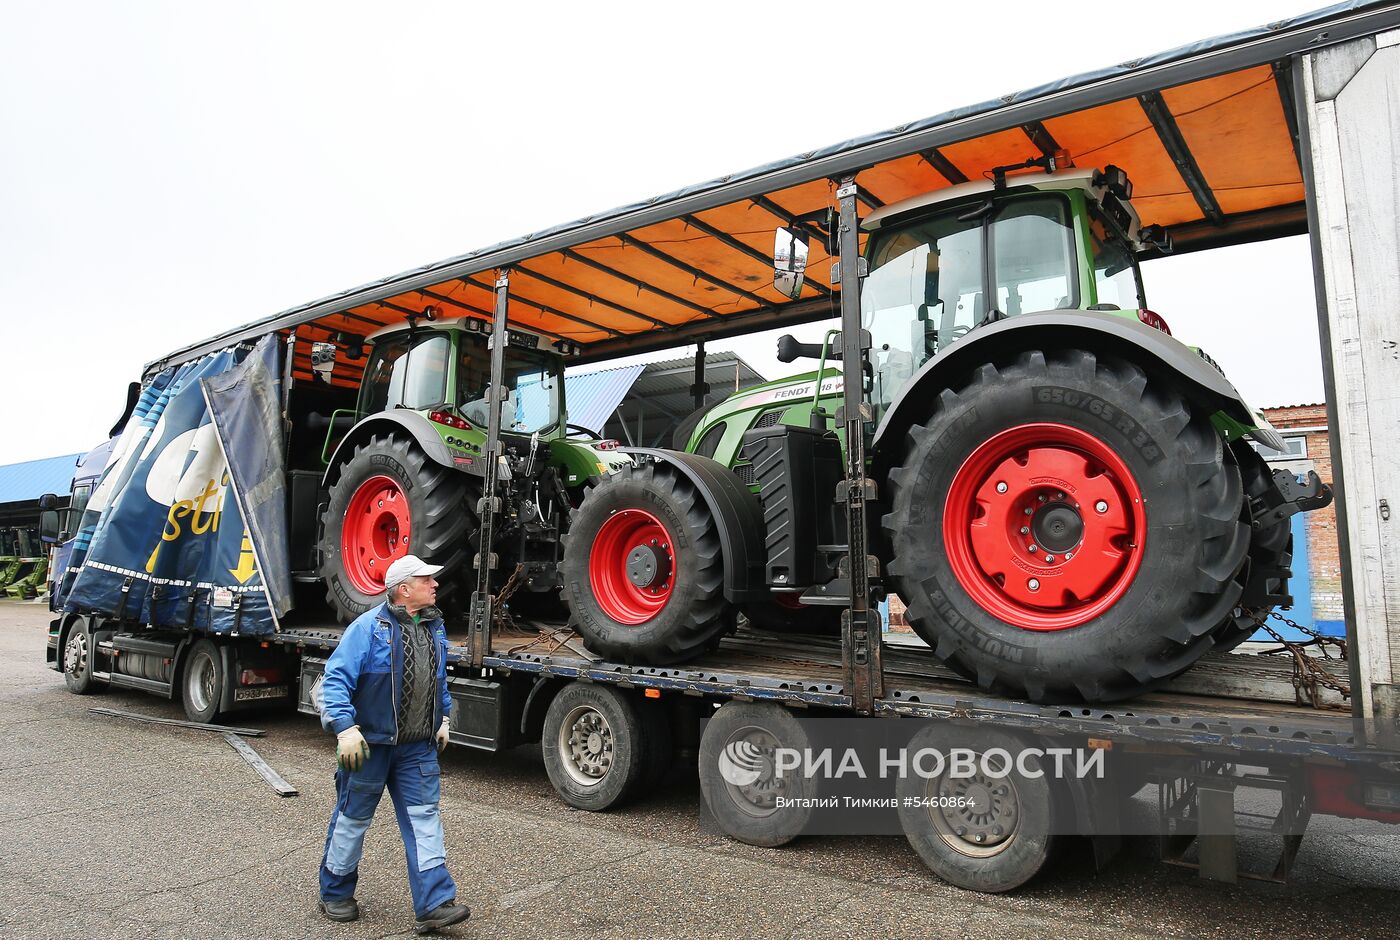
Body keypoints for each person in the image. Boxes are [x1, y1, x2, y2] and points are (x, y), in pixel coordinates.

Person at [317, 554, 470, 934]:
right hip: (368, 746)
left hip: (417, 747)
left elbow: (438, 682)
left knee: (426, 822)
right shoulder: (367, 629)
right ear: (404, 589)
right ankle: (334, 892)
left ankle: (435, 903)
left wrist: (444, 717)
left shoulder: (433, 629)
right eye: (426, 580)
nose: (435, 585)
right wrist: (345, 729)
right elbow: (334, 682)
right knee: (353, 821)